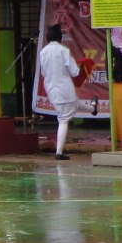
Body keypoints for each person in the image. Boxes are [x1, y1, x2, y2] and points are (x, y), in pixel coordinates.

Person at [38, 24, 82, 160]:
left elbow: (43, 72)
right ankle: (59, 152)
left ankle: (93, 108)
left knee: (73, 105)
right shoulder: (64, 50)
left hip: (51, 89)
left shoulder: (43, 52)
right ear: (60, 37)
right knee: (64, 118)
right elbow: (75, 72)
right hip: (64, 88)